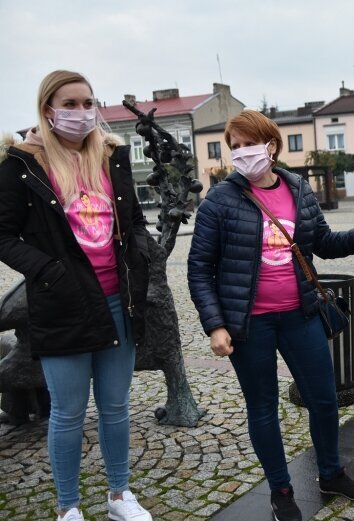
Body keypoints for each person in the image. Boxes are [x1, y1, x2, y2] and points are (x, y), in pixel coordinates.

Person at [187, 110, 354, 521]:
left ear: (270, 145)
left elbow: (322, 241)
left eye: (246, 144)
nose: (239, 153)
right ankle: (281, 490)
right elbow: (200, 267)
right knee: (263, 407)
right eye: (233, 147)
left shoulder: (298, 188)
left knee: (324, 400)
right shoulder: (220, 199)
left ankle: (330, 473)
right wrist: (215, 325)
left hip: (300, 315)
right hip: (249, 324)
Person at [0, 70, 152, 521]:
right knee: (67, 413)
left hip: (117, 303)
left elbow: (136, 221)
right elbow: (3, 235)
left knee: (116, 407)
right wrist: (48, 270)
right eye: (70, 104)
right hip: (64, 305)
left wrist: (139, 258)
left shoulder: (111, 157)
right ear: (48, 109)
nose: (82, 112)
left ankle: (119, 495)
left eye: (88, 103)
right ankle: (68, 507)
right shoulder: (22, 165)